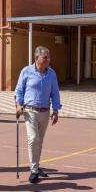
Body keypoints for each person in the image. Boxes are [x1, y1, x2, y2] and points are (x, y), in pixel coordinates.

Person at [15, 46, 62, 184]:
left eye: (49, 57)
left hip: (45, 112)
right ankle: (34, 170)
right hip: (30, 111)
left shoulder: (51, 74)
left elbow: (55, 93)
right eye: (45, 57)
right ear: (36, 58)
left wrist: (56, 111)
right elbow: (19, 90)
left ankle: (36, 164)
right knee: (33, 139)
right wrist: (18, 105)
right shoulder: (26, 71)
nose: (48, 60)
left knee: (39, 141)